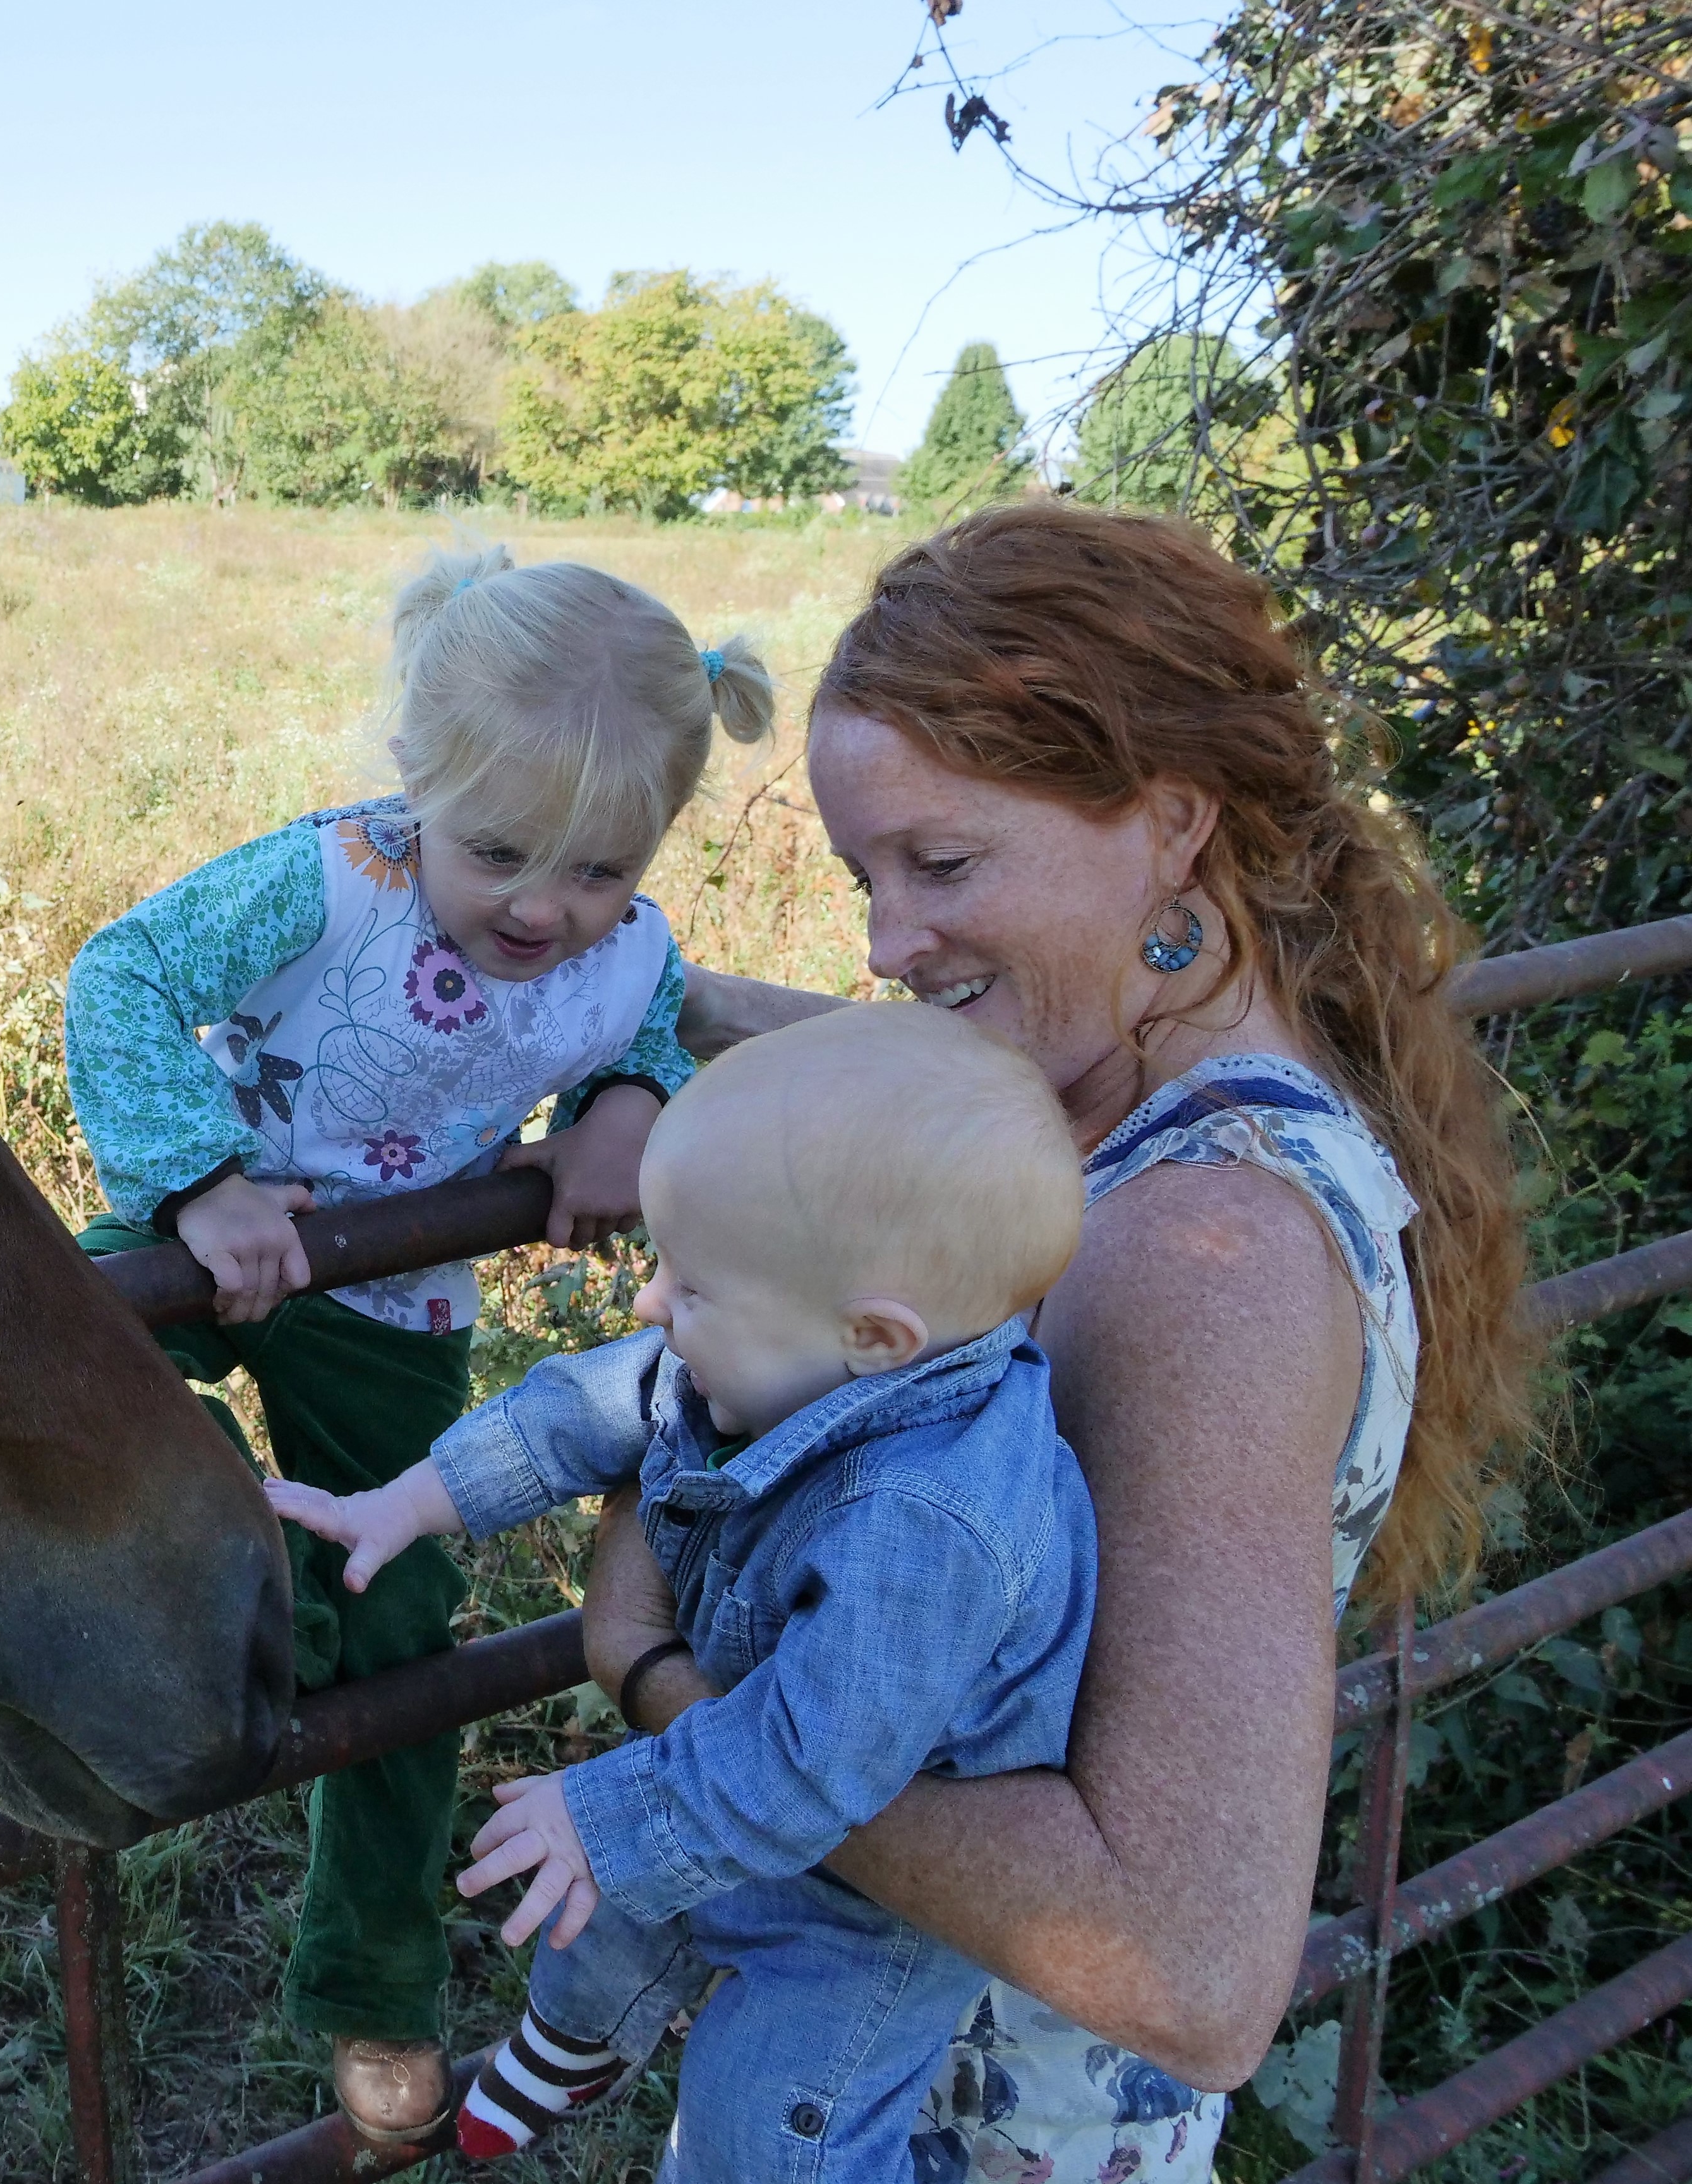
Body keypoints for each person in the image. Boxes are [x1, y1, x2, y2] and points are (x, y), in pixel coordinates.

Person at [592, 502, 1535, 2179]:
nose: (888, 943)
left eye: (944, 867)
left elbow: (1187, 1966)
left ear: (1170, 824)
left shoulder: (1202, 1256)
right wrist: (650, 1014)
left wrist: (678, 1689)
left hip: (941, 2129)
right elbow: (930, 1085)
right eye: (866, 877)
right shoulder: (1130, 1113)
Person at [62, 542, 773, 2142]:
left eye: (599, 870)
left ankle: (373, 1987)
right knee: (36, 1405)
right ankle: (102, 1613)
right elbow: (124, 975)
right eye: (504, 851)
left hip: (391, 1305)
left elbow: (643, 1026)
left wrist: (624, 1104)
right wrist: (200, 1178)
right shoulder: (331, 882)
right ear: (416, 781)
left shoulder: (630, 949)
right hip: (208, 1246)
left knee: (402, 1627)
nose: (545, 909)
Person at [270, 1002, 1096, 2178]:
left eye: (691, 1289)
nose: (651, 1304)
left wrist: (611, 1815)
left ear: (876, 1334)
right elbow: (579, 1409)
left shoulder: (930, 1525)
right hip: (741, 1759)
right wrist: (397, 1505)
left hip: (871, 1905)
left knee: (765, 2112)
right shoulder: (788, 1349)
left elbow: (817, 1763)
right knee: (599, 1901)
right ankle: (576, 2038)